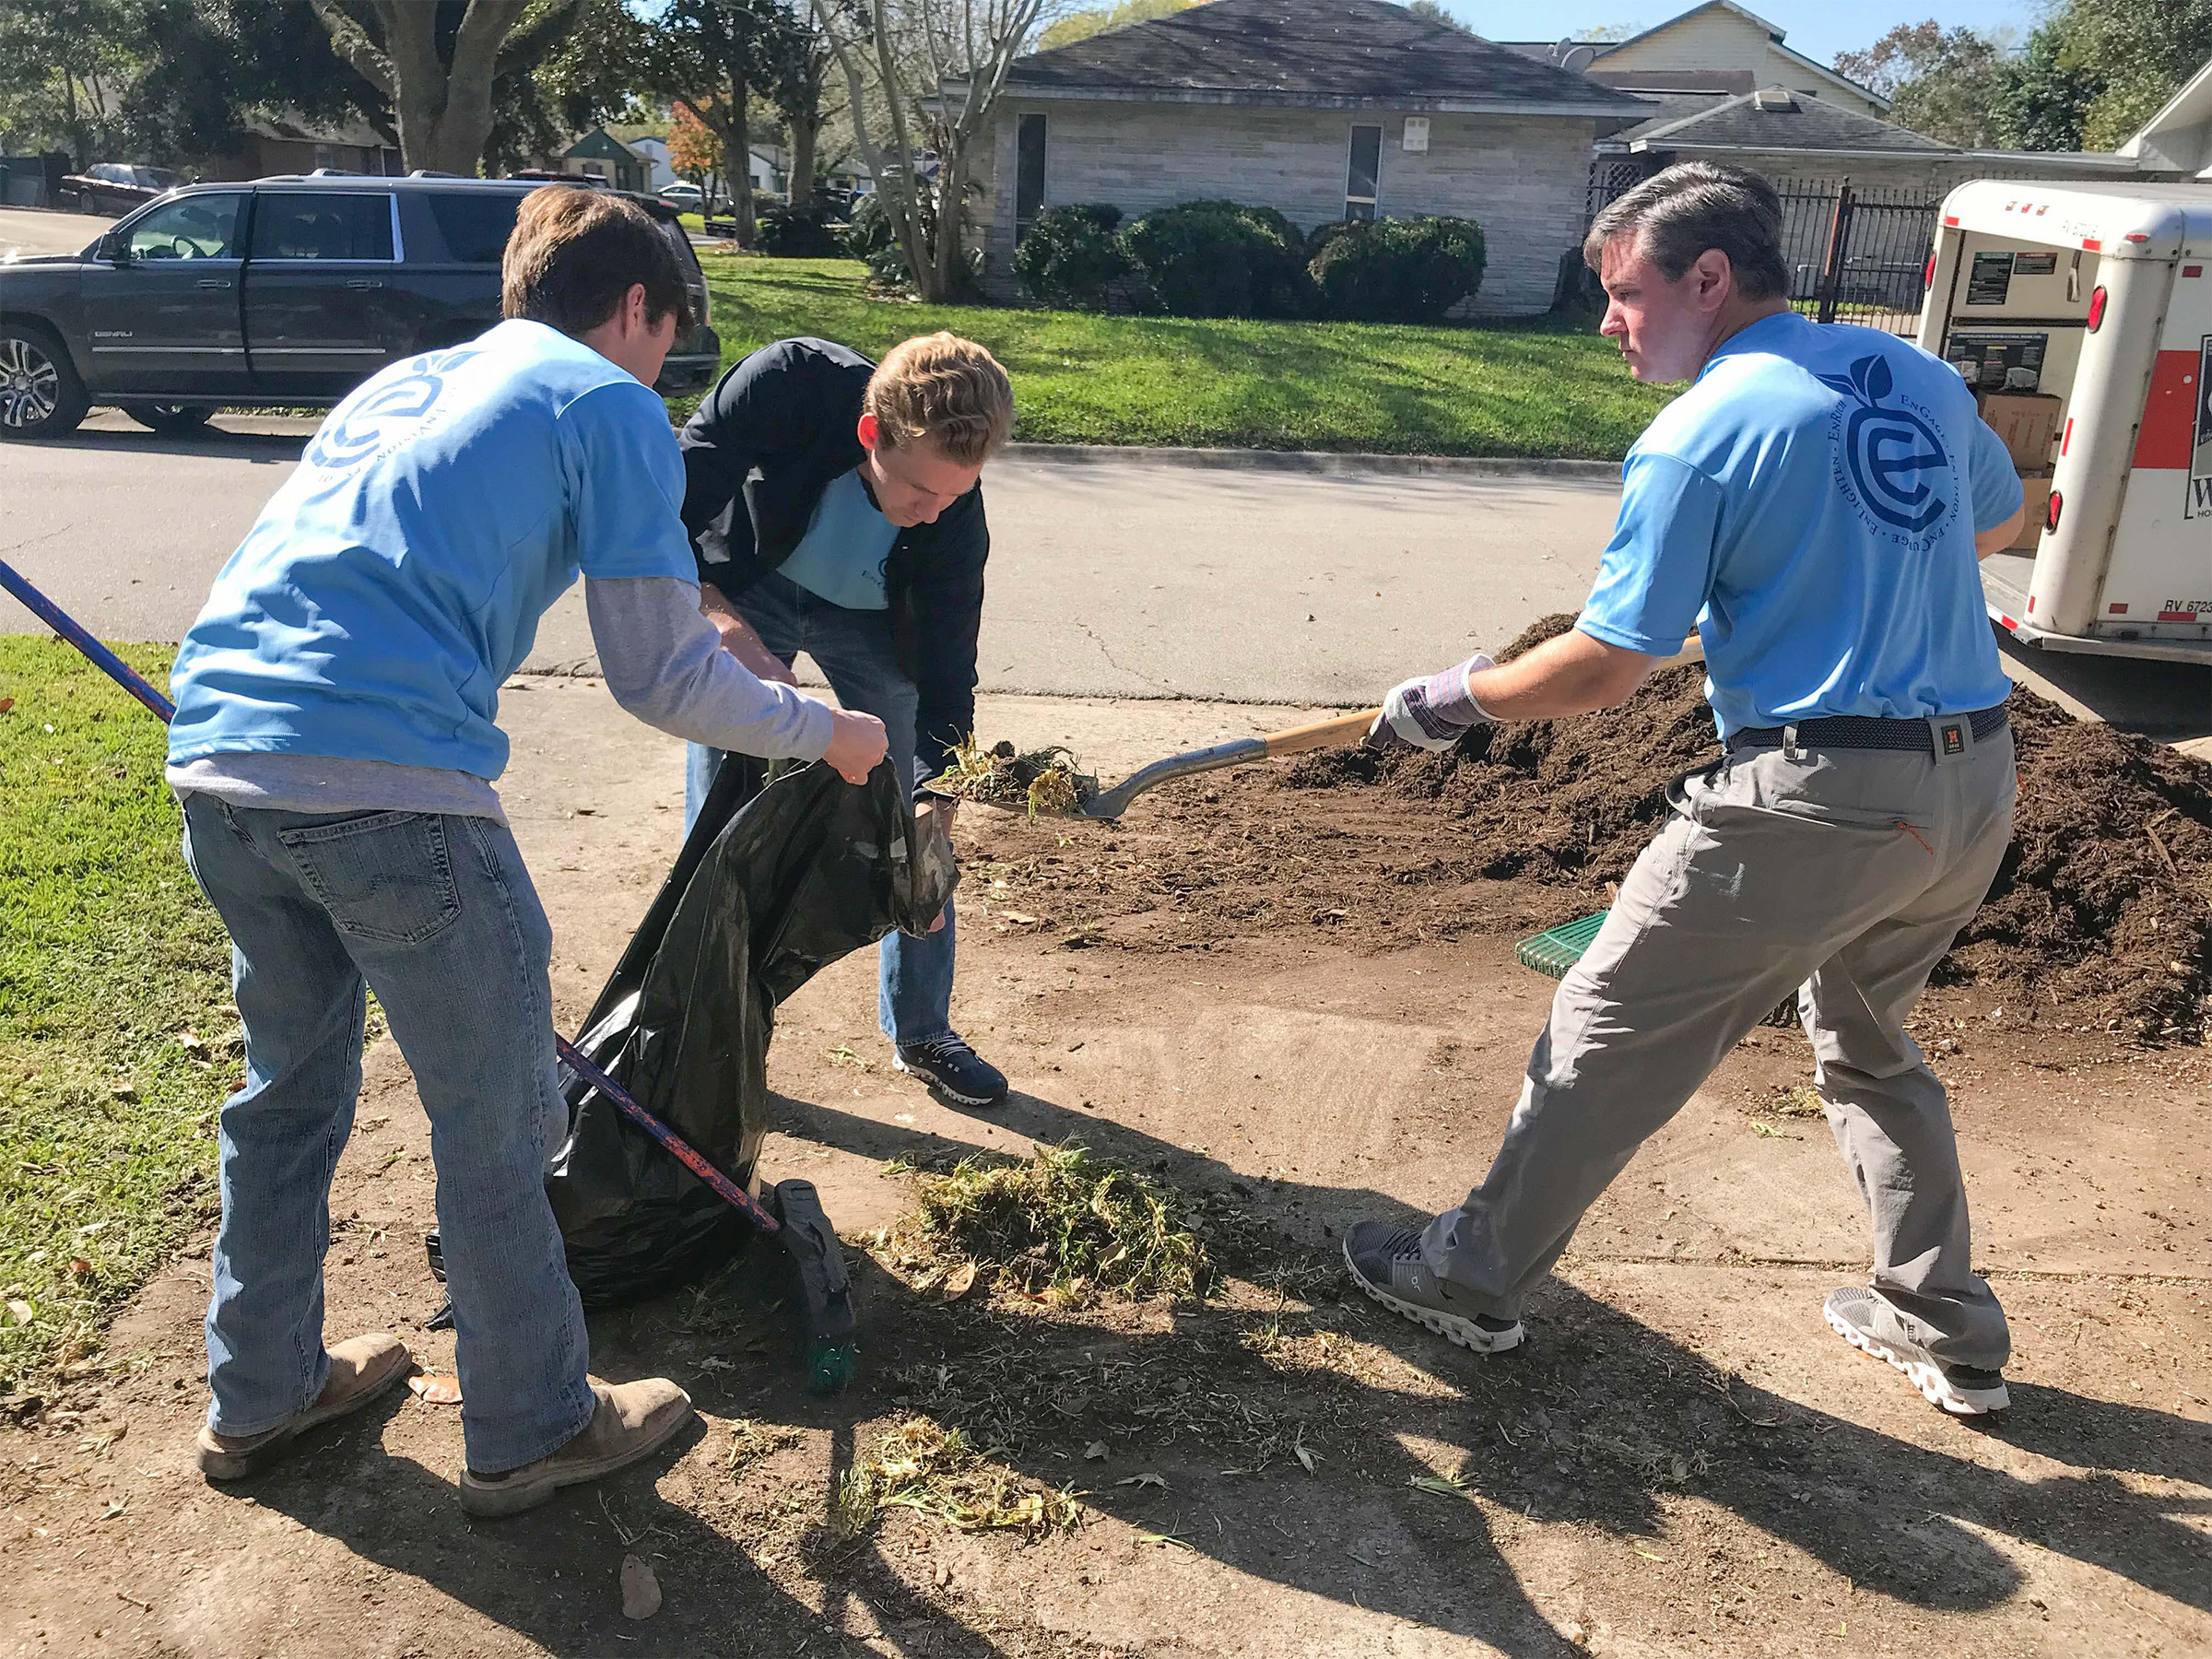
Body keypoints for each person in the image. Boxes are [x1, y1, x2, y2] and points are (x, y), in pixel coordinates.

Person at [165, 186, 888, 1514]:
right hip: (392, 789)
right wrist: (822, 733)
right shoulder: (602, 399)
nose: (665, 366)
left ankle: (258, 1394)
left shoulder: (409, 384)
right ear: (634, 310)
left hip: (222, 765)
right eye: (669, 335)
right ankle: (534, 1425)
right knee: (502, 1122)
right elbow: (665, 679)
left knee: (287, 1096)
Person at [1344, 162, 2028, 1417]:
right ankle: (1943, 1326)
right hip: (1972, 780)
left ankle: (1470, 1277)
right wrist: (1834, 580)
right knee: (1874, 1048)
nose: (1609, 320)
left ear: (1709, 278)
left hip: (1817, 796)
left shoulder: (1697, 435)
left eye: (1625, 293)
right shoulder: (1915, 378)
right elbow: (1993, 515)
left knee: (1607, 1031)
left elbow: (1607, 668)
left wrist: (1455, 700)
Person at [678, 332, 1016, 1107]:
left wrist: (938, 792)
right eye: (917, 493)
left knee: (916, 834)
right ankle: (711, 1037)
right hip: (749, 586)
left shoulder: (954, 517)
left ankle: (923, 1029)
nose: (930, 517)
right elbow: (662, 521)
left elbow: (947, 670)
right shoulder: (786, 385)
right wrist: (725, 628)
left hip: (869, 621)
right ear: (872, 433)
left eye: (951, 497)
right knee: (722, 828)